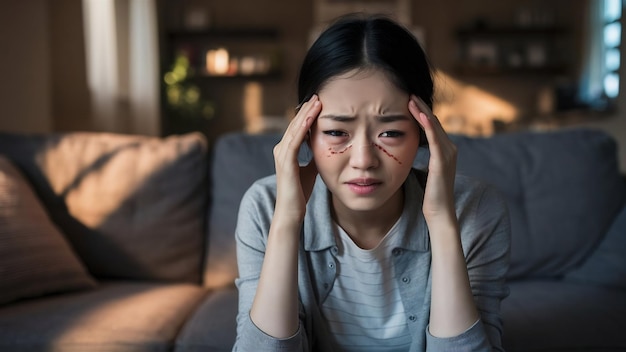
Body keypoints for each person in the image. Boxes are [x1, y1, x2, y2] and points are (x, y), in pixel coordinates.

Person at [233, 13, 510, 352]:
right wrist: (287, 221)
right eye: (336, 132)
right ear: (304, 134)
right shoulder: (264, 206)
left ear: (424, 134)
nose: (363, 159)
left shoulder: (476, 207)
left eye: (390, 133)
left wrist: (441, 221)